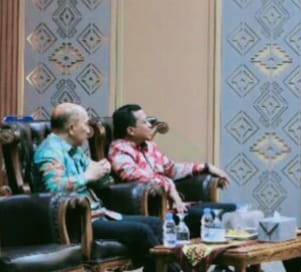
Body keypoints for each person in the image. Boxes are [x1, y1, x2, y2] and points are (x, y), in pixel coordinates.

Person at [33, 103, 171, 272]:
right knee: (141, 231)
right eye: (85, 124)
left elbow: (100, 182)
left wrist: (103, 172)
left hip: (99, 214)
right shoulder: (50, 151)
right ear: (71, 128)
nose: (88, 131)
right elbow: (53, 189)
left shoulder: (75, 151)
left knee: (156, 224)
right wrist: (87, 176)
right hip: (78, 221)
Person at [108, 104, 236, 238]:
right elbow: (135, 176)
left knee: (232, 210)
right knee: (214, 216)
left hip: (177, 206)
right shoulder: (119, 149)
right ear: (131, 130)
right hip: (161, 211)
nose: (150, 125)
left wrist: (206, 167)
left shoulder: (150, 146)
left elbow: (171, 168)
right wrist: (171, 190)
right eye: (145, 122)